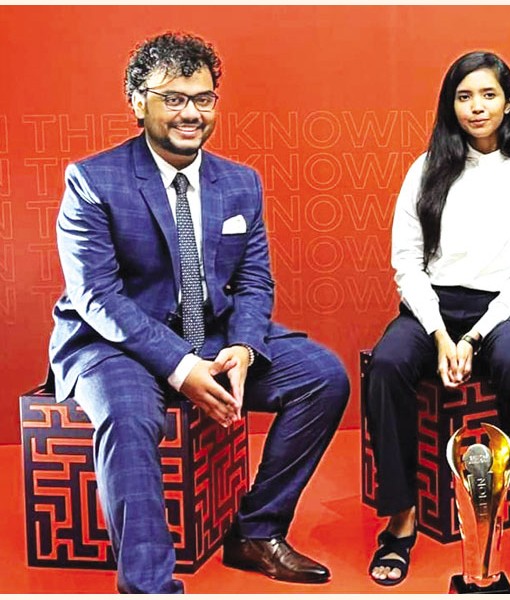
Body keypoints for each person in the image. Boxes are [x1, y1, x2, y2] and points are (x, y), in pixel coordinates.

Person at [48, 32, 349, 593]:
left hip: (208, 332)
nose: (192, 113)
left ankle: (257, 531)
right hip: (112, 343)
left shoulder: (239, 181)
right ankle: (149, 586)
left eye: (204, 99)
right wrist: (181, 368)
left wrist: (242, 347)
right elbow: (97, 296)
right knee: (128, 416)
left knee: (323, 376)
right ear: (138, 102)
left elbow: (254, 279)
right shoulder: (93, 179)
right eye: (174, 98)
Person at [363, 51, 510, 590]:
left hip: (504, 308)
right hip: (432, 305)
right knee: (385, 364)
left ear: (509, 103)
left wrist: (473, 336)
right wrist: (437, 333)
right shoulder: (426, 168)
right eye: (463, 96)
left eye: (488, 95)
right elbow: (406, 261)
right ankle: (400, 517)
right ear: (450, 105)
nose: (476, 107)